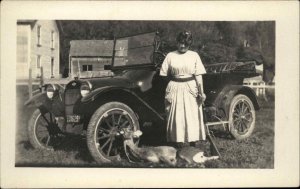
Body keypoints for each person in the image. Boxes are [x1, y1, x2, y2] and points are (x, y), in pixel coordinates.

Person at [160, 30, 207, 148]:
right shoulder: (170, 55)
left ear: (189, 44)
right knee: (176, 116)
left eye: (185, 44)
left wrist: (201, 92)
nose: (182, 46)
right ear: (177, 42)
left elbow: (198, 75)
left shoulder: (194, 55)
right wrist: (173, 84)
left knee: (192, 115)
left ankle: (193, 144)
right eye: (180, 43)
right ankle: (177, 144)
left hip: (190, 88)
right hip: (175, 87)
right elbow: (163, 74)